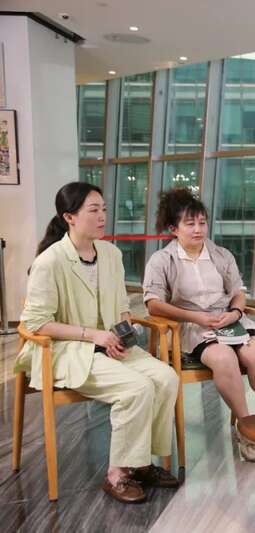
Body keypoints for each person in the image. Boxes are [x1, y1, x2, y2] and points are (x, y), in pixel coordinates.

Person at [17, 182, 179, 504]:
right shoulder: (50, 262)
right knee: (136, 388)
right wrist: (93, 336)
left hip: (109, 346)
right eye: (93, 210)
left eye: (104, 209)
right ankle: (117, 474)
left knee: (166, 377)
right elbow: (36, 323)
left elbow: (121, 306)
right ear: (69, 217)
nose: (103, 216)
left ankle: (140, 463)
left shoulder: (111, 254)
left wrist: (122, 334)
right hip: (67, 351)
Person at [143, 188, 255, 462]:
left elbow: (238, 291)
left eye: (202, 223)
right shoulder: (161, 260)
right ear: (173, 229)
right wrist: (195, 317)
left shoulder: (221, 254)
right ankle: (247, 429)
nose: (198, 229)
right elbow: (153, 304)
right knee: (224, 358)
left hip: (229, 319)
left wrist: (236, 312)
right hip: (193, 325)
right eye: (190, 224)